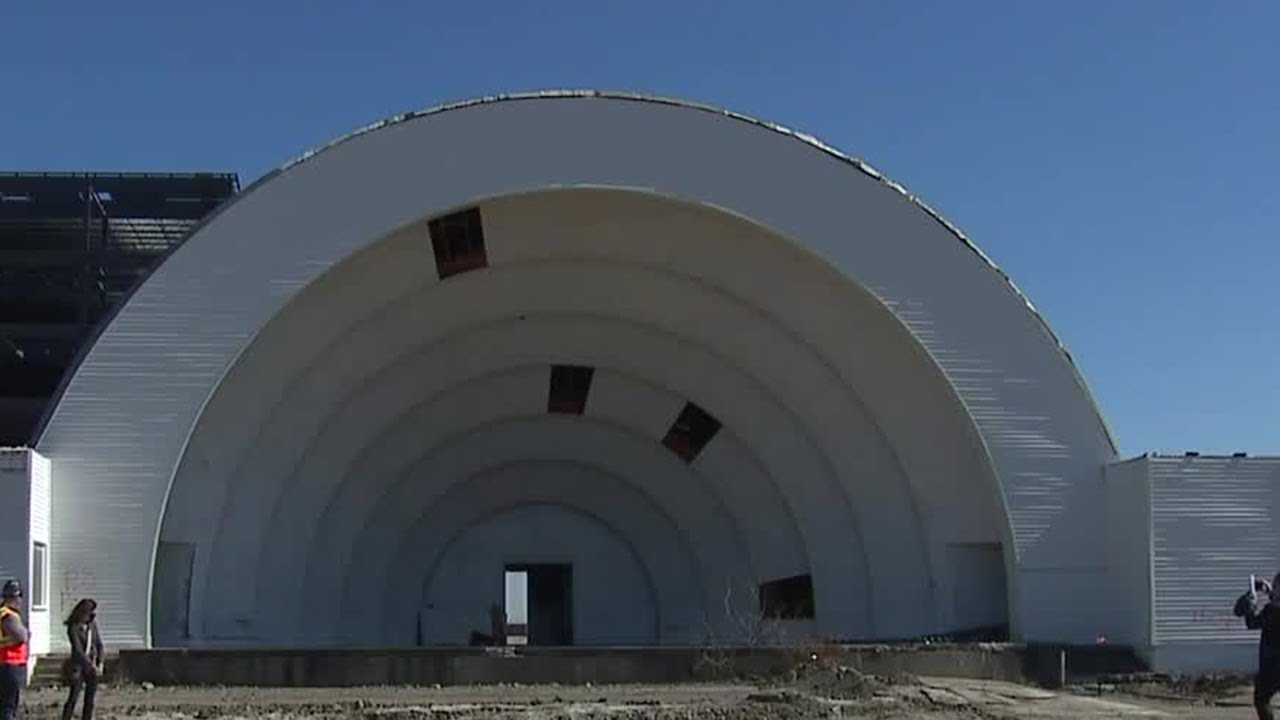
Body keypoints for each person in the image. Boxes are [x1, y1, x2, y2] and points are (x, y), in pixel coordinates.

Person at [1236, 573, 1280, 720]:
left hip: (1272, 666)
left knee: (1262, 700)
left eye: (1276, 586)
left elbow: (1252, 623)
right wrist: (1268, 592)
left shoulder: (1272, 611)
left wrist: (1251, 606)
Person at [61, 599, 103, 720]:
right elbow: (78, 650)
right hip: (78, 666)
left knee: (90, 698)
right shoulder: (73, 627)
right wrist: (90, 665)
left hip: (92, 664)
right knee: (74, 696)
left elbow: (99, 644)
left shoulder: (92, 626)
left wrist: (100, 662)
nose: (90, 617)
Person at [0, 580, 28, 720]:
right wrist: (27, 632)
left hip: (5, 663)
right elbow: (22, 636)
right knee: (9, 705)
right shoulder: (9, 616)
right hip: (10, 664)